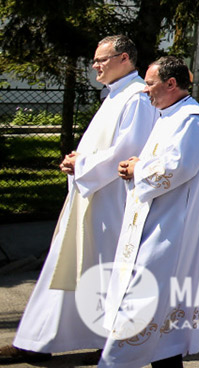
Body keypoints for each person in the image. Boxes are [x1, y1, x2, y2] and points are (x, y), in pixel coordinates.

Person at [6, 37, 156, 364]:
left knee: (96, 271)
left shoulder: (137, 99)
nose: (95, 66)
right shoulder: (117, 95)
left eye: (101, 59)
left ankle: (76, 340)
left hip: (110, 202)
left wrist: (82, 165)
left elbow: (127, 151)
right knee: (65, 266)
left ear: (124, 58)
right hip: (92, 195)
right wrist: (78, 161)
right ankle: (36, 338)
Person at [99, 55, 199, 368]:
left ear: (171, 84)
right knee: (152, 305)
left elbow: (179, 166)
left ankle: (116, 362)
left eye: (150, 84)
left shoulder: (192, 119)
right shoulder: (168, 115)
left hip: (171, 227)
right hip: (151, 220)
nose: (145, 91)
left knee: (145, 298)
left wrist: (139, 169)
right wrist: (135, 168)